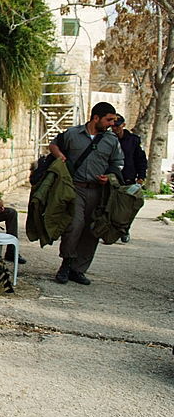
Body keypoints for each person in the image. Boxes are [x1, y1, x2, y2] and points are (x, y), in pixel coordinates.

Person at [49, 101, 123, 285]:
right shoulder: (73, 134)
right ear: (95, 118)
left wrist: (110, 175)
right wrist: (60, 156)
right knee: (74, 225)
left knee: (93, 230)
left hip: (99, 191)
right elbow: (54, 144)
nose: (111, 124)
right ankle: (66, 263)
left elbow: (118, 163)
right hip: (76, 188)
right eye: (108, 120)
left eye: (113, 120)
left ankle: (78, 269)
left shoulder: (111, 140)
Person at [110, 114, 147, 242]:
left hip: (128, 178)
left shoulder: (133, 140)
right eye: (113, 126)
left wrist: (141, 176)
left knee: (128, 207)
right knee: (110, 206)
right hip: (112, 177)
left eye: (117, 126)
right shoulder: (107, 139)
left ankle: (125, 229)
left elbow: (140, 160)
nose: (115, 128)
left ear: (123, 125)